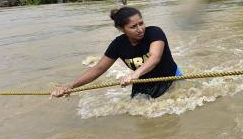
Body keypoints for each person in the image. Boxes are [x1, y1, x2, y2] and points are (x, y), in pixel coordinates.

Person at [51, 6, 182, 99]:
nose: (140, 29)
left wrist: (135, 74)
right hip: (142, 83)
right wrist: (70, 86)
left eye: (141, 23)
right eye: (133, 26)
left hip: (169, 78)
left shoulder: (154, 32)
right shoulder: (118, 44)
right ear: (121, 29)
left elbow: (155, 57)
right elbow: (98, 69)